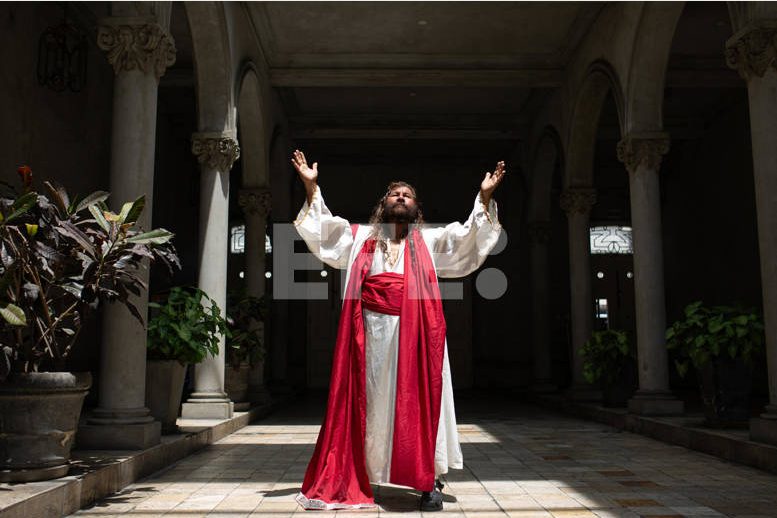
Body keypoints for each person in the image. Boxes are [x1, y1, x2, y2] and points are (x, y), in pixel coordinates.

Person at [291, 150, 504, 511]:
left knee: (420, 400)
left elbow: (466, 238)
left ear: (416, 208)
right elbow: (326, 231)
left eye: (407, 195)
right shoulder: (359, 239)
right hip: (369, 340)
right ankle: (363, 472)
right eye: (395, 194)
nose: (401, 198)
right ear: (383, 205)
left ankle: (428, 479)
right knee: (371, 404)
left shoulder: (430, 241)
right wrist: (312, 189)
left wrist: (484, 197)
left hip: (416, 337)